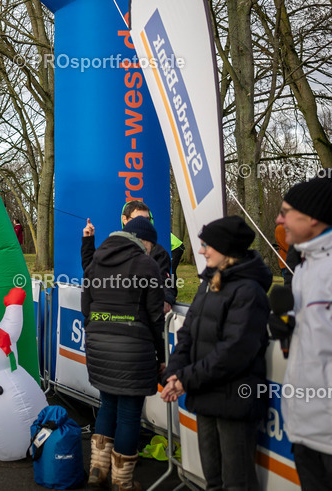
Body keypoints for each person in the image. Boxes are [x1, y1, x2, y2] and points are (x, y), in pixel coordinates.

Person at [161, 216, 271, 491]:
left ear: (226, 249)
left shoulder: (249, 291)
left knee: (237, 484)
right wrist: (174, 372)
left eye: (207, 245)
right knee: (213, 482)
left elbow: (235, 352)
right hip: (205, 394)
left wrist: (186, 378)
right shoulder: (208, 283)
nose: (201, 251)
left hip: (235, 401)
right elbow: (188, 334)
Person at [82, 216, 165, 491]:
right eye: (151, 246)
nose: (151, 251)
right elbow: (155, 316)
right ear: (144, 241)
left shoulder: (97, 260)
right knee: (129, 414)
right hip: (134, 350)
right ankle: (122, 482)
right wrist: (162, 355)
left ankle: (97, 471)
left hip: (99, 346)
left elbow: (86, 307)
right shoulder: (147, 265)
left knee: (107, 404)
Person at [273, 176, 332, 490]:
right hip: (304, 427)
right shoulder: (305, 267)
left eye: (286, 212)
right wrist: (287, 326)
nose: (279, 220)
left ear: (312, 217)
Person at [82, 200, 176, 312]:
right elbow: (91, 271)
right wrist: (88, 240)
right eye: (138, 219)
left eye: (147, 219)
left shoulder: (158, 252)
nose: (143, 223)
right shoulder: (112, 246)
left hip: (137, 315)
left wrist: (166, 300)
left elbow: (165, 284)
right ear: (124, 219)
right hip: (107, 315)